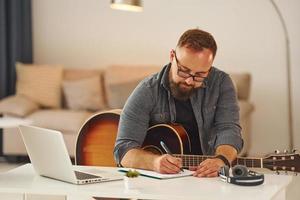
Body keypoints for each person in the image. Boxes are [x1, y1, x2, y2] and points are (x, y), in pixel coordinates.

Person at [113, 28, 243, 177]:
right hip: (160, 181)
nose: (189, 80)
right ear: (172, 56)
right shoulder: (147, 90)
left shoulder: (221, 83)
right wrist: (154, 162)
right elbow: (123, 150)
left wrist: (221, 160)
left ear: (209, 68)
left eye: (200, 75)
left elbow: (229, 129)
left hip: (206, 177)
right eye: (184, 70)